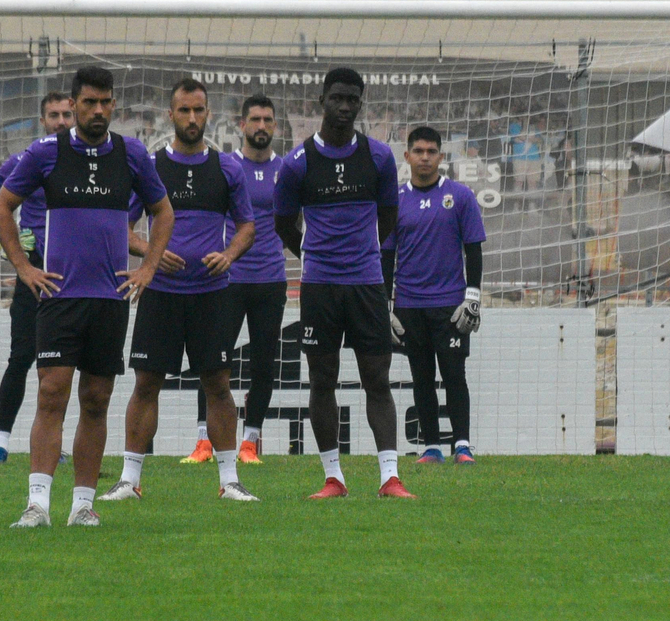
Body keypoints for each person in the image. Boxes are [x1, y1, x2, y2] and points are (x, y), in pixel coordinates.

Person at [0, 66, 172, 527]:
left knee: (96, 399)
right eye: (89, 102)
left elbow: (162, 210)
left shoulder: (132, 154)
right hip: (60, 295)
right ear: (73, 105)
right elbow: (0, 208)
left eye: (106, 102)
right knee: (52, 393)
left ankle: (83, 506)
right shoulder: (46, 153)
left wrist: (148, 268)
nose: (98, 110)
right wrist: (24, 267)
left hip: (110, 298)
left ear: (114, 104)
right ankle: (37, 505)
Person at [99, 79, 257, 502]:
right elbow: (123, 228)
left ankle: (230, 482)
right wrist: (151, 251)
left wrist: (229, 255)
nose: (192, 118)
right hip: (162, 293)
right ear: (170, 115)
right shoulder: (151, 168)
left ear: (209, 114)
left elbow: (247, 227)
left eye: (199, 111)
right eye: (184, 111)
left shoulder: (227, 168)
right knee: (146, 384)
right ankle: (130, 480)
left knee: (219, 385)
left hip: (211, 294)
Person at [274, 67, 412, 499]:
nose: (346, 106)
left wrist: (361, 252)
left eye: (353, 99)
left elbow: (388, 217)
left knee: (377, 378)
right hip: (319, 288)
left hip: (367, 285)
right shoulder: (297, 164)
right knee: (322, 380)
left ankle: (390, 476)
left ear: (360, 103)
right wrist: (316, 255)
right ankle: (334, 476)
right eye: (338, 98)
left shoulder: (379, 158)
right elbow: (283, 224)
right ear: (322, 100)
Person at [0, 91, 74, 463]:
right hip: (34, 277)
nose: (61, 121)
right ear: (42, 120)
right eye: (54, 115)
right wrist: (11, 255)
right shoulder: (25, 161)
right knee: (21, 357)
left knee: (59, 365)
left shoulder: (87, 165)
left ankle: (50, 445)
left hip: (72, 279)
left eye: (66, 114)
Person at [188, 95, 288, 464]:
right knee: (214, 361)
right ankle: (204, 441)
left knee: (264, 362)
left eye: (268, 120)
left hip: (271, 279)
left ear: (275, 126)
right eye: (255, 119)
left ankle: (250, 441)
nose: (262, 126)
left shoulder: (288, 169)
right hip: (227, 278)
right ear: (241, 124)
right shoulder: (225, 165)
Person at [383, 127, 486, 465]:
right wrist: (385, 305)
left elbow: (473, 249)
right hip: (409, 305)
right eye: (418, 151)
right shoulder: (394, 199)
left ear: (441, 157)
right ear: (407, 156)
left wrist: (472, 297)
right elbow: (385, 256)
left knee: (454, 374)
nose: (424, 157)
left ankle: (463, 445)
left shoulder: (461, 196)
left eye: (431, 151)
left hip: (450, 304)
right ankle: (430, 446)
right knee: (421, 376)